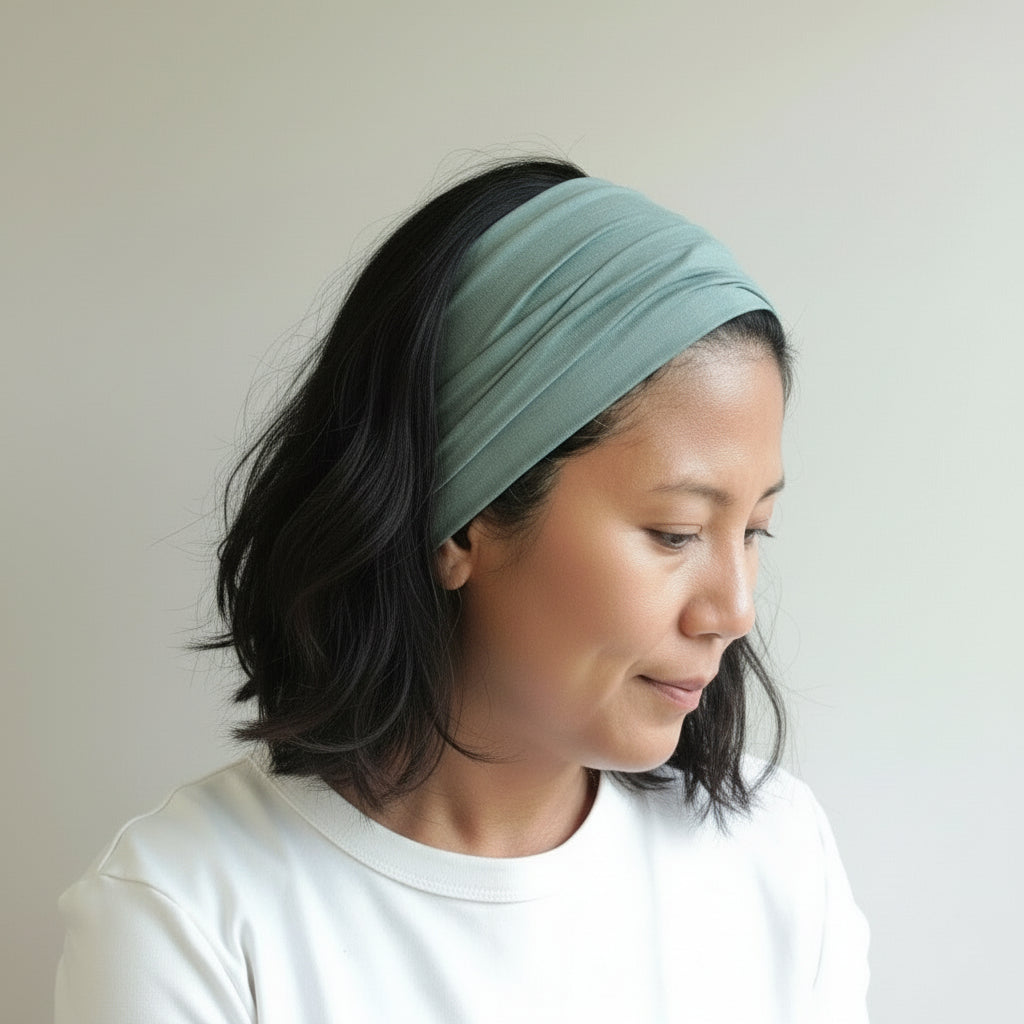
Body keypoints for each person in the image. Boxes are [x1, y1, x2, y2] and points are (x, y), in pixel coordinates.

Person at [55, 159, 870, 1022]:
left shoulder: (776, 857)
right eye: (675, 534)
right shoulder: (189, 915)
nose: (734, 611)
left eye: (753, 533)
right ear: (461, 520)